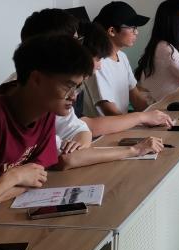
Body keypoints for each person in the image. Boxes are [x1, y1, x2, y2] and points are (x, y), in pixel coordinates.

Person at [0, 33, 94, 228]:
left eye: (78, 87)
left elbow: (37, 177)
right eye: (68, 86)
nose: (74, 96)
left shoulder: (45, 110)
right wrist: (15, 176)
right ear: (36, 79)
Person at [54, 24, 164, 167]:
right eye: (97, 59)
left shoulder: (121, 57)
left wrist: (148, 116)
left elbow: (82, 129)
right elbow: (69, 156)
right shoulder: (53, 96)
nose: (100, 65)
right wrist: (135, 145)